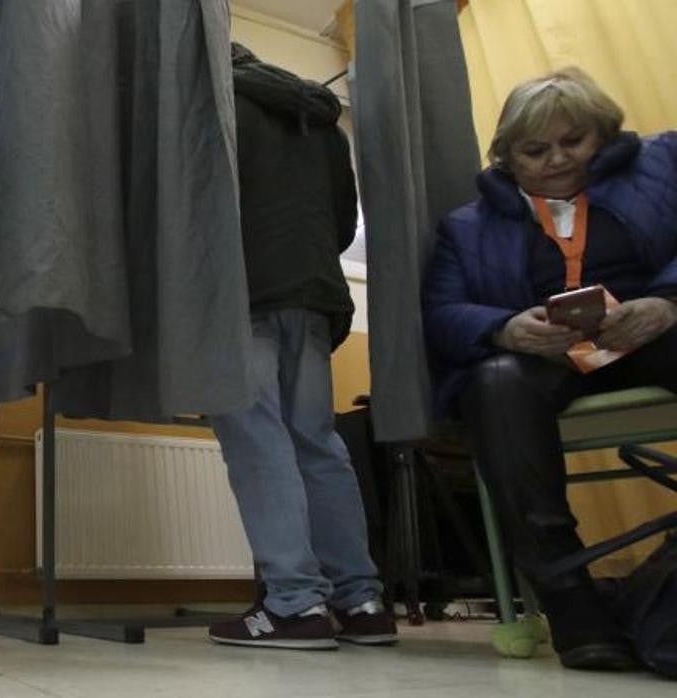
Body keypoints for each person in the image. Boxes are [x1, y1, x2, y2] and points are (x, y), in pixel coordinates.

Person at [423, 68, 677, 672]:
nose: (558, 160)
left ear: (603, 135)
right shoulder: (465, 226)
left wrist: (667, 302)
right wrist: (504, 328)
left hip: (654, 331)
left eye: (575, 141)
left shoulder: (663, 166)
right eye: (535, 150)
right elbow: (441, 311)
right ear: (506, 158)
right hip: (546, 359)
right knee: (496, 381)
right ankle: (570, 601)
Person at [204, 45, 395, 651]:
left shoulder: (214, 102)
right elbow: (343, 224)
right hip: (314, 296)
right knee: (317, 442)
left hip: (243, 293)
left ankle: (293, 604)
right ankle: (360, 600)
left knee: (258, 440)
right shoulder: (318, 116)